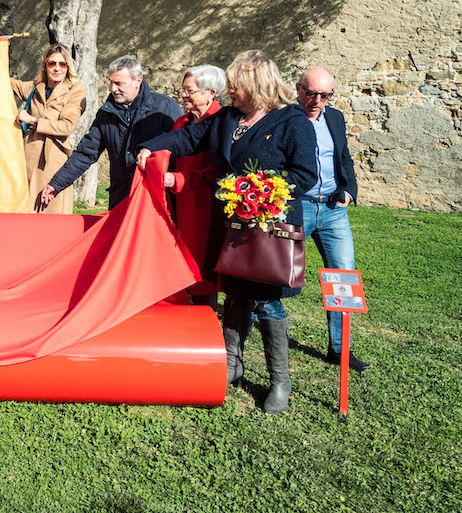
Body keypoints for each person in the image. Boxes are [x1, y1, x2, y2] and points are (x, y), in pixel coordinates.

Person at [137, 50, 317, 413]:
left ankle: (279, 381)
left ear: (255, 84)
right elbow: (188, 139)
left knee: (266, 301)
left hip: (270, 227)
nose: (229, 89)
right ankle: (232, 365)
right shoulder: (229, 118)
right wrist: (149, 147)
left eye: (235, 84)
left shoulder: (292, 121)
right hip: (232, 224)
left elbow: (304, 174)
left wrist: (260, 191)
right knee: (234, 293)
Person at [296, 67, 371, 372]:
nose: (317, 101)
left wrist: (349, 191)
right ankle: (254, 327)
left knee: (343, 277)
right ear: (298, 89)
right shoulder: (286, 119)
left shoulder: (335, 118)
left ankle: (340, 349)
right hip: (298, 207)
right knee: (278, 272)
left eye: (324, 95)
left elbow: (344, 158)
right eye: (311, 93)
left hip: (332, 209)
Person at [41, 56, 181, 210]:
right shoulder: (106, 113)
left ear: (138, 81)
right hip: (121, 199)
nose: (113, 89)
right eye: (111, 82)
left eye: (119, 83)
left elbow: (182, 148)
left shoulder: (165, 108)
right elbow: (86, 153)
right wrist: (57, 184)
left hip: (155, 198)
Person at [164, 65, 226, 305]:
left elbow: (217, 170)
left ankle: (205, 315)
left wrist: (178, 180)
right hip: (181, 204)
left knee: (204, 271)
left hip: (207, 208)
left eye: (190, 91)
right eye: (183, 90)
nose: (184, 95)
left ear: (211, 92)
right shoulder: (181, 122)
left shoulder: (221, 122)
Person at [11, 45, 87, 213]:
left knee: (51, 210)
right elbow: (4, 82)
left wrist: (33, 120)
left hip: (53, 158)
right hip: (28, 156)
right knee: (26, 210)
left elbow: (66, 126)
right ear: (45, 66)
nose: (57, 68)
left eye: (62, 64)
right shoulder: (36, 87)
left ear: (68, 67)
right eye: (52, 63)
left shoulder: (75, 90)